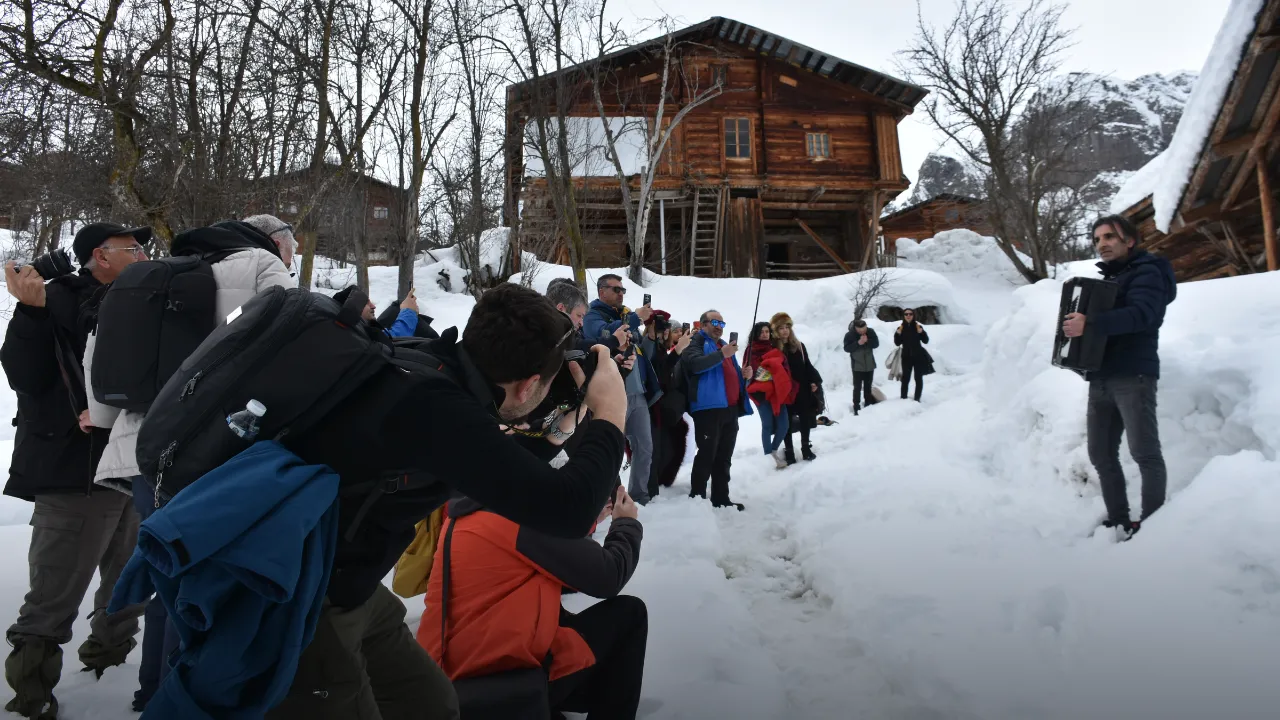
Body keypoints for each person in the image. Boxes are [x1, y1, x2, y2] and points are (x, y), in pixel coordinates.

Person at [265, 283, 630, 719]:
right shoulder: (435, 408)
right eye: (546, 384)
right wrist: (611, 413)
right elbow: (568, 511)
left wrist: (560, 431)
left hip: (349, 583)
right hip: (302, 598)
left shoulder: (432, 368)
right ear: (530, 382)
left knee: (432, 706)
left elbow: (489, 471)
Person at [83, 217, 295, 710]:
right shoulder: (263, 265)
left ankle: (154, 692)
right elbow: (294, 342)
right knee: (210, 588)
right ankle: (187, 702)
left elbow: (102, 386)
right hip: (215, 454)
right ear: (276, 244)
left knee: (168, 576)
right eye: (293, 248)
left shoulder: (152, 276)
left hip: (141, 454)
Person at [1, 222, 151, 719]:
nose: (143, 254)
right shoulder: (56, 299)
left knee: (128, 582)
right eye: (132, 248)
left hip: (131, 467)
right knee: (54, 592)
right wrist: (28, 309)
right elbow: (25, 375)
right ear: (100, 258)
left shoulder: (145, 301)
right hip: (73, 473)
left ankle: (109, 664)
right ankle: (31, 691)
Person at [419, 485, 647, 719]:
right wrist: (625, 523)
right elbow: (608, 575)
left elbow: (542, 550)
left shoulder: (468, 514)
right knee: (630, 615)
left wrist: (586, 522)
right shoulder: (518, 518)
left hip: (452, 678)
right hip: (501, 681)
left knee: (562, 621)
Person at [1063, 214, 1177, 540]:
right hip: (1100, 376)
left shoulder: (1148, 272)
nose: (1103, 244)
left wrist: (1091, 323)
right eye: (1098, 239)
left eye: (1110, 237)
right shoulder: (1109, 281)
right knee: (1100, 453)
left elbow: (1143, 315)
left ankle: (1154, 526)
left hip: (1133, 375)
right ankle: (1119, 519)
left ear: (1129, 241)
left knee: (1144, 453)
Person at [582, 275, 661, 505]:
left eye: (623, 289)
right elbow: (604, 335)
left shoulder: (625, 315)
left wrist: (651, 334)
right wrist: (635, 318)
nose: (621, 293)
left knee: (645, 447)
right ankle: (606, 499)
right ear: (601, 291)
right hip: (612, 395)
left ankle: (639, 496)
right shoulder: (592, 315)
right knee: (611, 450)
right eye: (616, 289)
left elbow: (641, 352)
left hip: (637, 393)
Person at [680, 310, 750, 510]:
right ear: (703, 325)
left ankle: (721, 497)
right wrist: (722, 354)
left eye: (722, 323)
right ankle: (698, 497)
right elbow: (694, 365)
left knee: (724, 455)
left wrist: (744, 375)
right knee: (707, 453)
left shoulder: (722, 346)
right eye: (714, 322)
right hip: (707, 408)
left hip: (729, 408)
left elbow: (728, 374)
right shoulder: (697, 342)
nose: (719, 326)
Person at [642, 310, 691, 497]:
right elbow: (657, 375)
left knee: (671, 448)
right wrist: (678, 352)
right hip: (653, 409)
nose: (664, 333)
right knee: (654, 452)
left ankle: (661, 482)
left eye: (666, 330)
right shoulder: (649, 348)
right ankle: (650, 490)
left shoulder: (664, 350)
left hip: (667, 410)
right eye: (661, 329)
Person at [771, 313, 822, 463]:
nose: (785, 330)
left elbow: (807, 365)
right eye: (781, 328)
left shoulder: (799, 345)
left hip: (802, 388)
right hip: (784, 391)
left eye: (787, 327)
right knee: (786, 422)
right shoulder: (774, 349)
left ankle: (806, 448)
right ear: (776, 330)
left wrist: (814, 381)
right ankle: (789, 451)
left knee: (805, 418)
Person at [743, 322, 791, 470]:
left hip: (777, 392)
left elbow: (784, 367)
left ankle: (773, 450)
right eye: (761, 332)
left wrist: (777, 373)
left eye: (767, 332)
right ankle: (767, 456)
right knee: (767, 425)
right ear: (756, 334)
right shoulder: (750, 350)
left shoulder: (774, 349)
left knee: (784, 425)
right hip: (760, 393)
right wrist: (762, 371)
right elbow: (747, 370)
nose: (764, 334)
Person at [893, 309, 932, 402]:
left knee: (918, 378)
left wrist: (921, 332)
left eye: (910, 314)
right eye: (906, 314)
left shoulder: (918, 326)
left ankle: (917, 399)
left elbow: (926, 341)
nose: (908, 316)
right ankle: (903, 398)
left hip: (918, 356)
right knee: (905, 378)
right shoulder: (901, 328)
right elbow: (897, 343)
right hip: (906, 357)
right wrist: (897, 334)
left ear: (913, 315)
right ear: (903, 316)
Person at [843, 319, 880, 415]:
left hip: (869, 364)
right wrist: (858, 343)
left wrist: (867, 340)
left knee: (868, 386)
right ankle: (856, 406)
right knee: (857, 387)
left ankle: (868, 404)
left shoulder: (870, 332)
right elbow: (846, 348)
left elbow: (876, 344)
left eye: (864, 328)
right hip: (857, 365)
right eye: (860, 330)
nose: (863, 331)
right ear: (856, 328)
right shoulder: (849, 335)